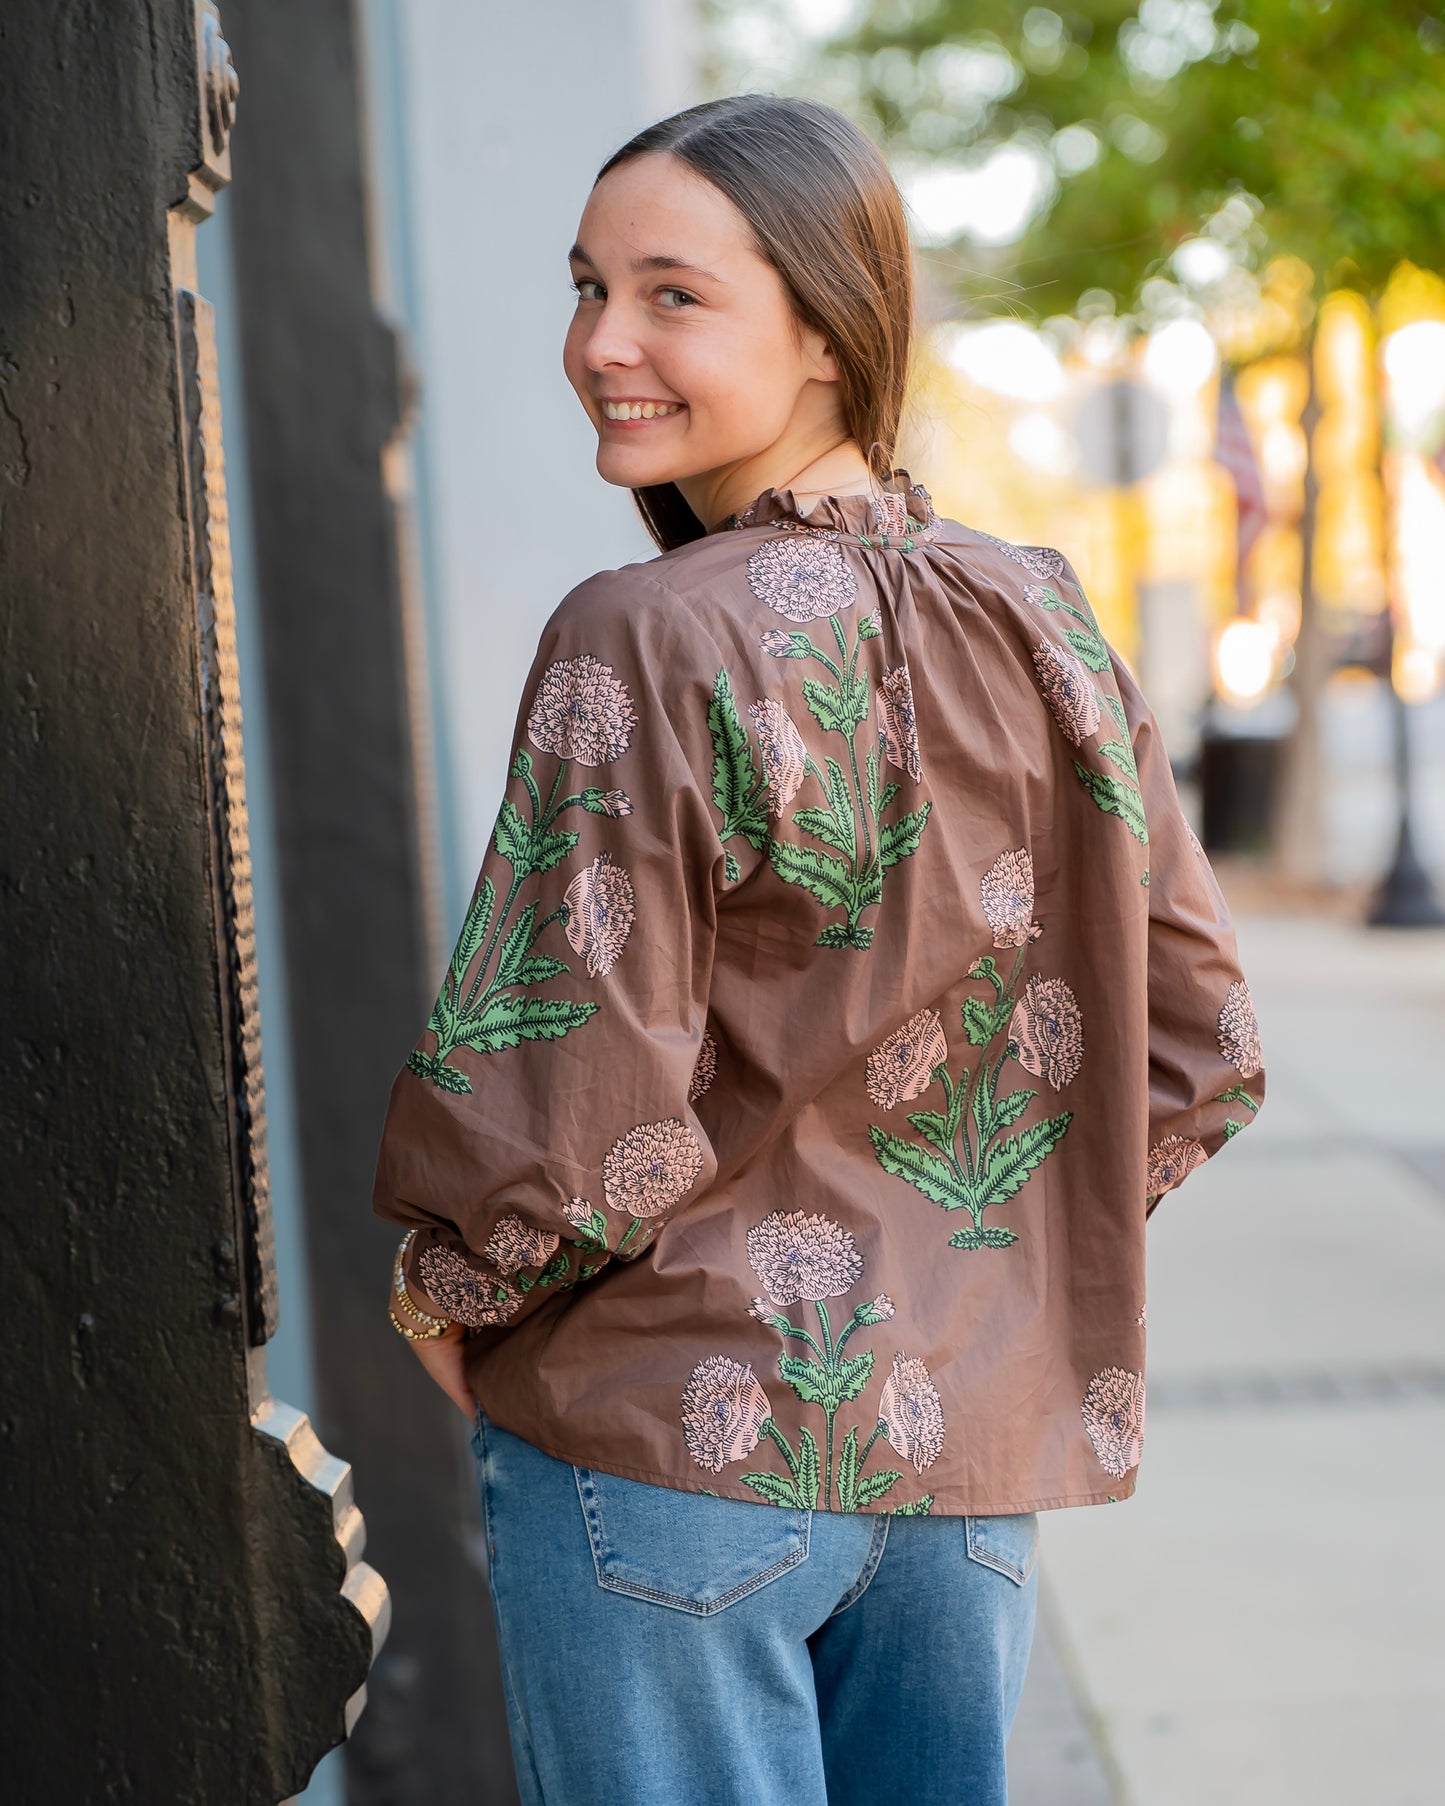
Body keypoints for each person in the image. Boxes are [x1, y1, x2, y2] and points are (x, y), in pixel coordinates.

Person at [371, 93, 1265, 1806]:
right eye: (587, 287)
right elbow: (1198, 1043)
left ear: (829, 332)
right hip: (961, 1470)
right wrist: (980, 1260)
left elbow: (568, 1082)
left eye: (672, 295)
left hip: (666, 1441)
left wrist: (454, 1282)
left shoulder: (641, 632)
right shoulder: (1044, 618)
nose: (600, 343)